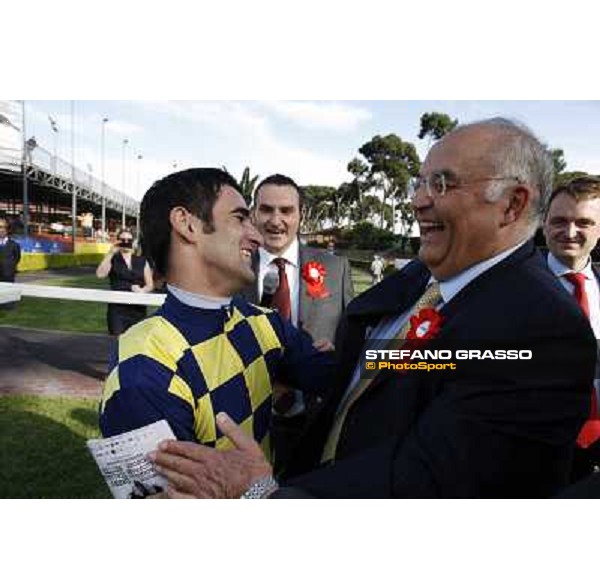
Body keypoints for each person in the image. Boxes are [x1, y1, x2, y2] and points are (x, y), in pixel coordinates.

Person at [150, 118, 597, 499]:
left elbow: (424, 480)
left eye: (440, 183)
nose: (418, 200)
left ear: (512, 204)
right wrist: (323, 364)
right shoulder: (425, 275)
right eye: (418, 182)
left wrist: (265, 493)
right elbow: (386, 367)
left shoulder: (543, 330)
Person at [99, 168, 334, 461]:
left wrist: (408, 354)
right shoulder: (139, 373)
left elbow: (350, 371)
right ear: (187, 225)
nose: (256, 236)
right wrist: (265, 490)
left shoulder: (265, 323)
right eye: (239, 218)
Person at [239, 173, 353, 466]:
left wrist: (338, 352)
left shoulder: (336, 268)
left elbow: (352, 336)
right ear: (253, 213)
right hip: (243, 418)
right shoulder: (232, 266)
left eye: (286, 211)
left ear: (301, 215)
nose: (275, 220)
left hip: (315, 419)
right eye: (266, 209)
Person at [543, 176, 600, 481]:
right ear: (544, 224)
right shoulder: (508, 286)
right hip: (529, 448)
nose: (570, 232)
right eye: (560, 221)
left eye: (584, 222)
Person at [96, 228, 153, 335]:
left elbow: (150, 285)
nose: (126, 242)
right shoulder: (113, 259)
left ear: (133, 242)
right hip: (117, 309)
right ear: (118, 241)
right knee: (117, 343)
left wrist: (142, 290)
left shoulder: (142, 261)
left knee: (136, 342)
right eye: (123, 239)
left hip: (138, 308)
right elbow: (100, 274)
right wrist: (110, 253)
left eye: (129, 240)